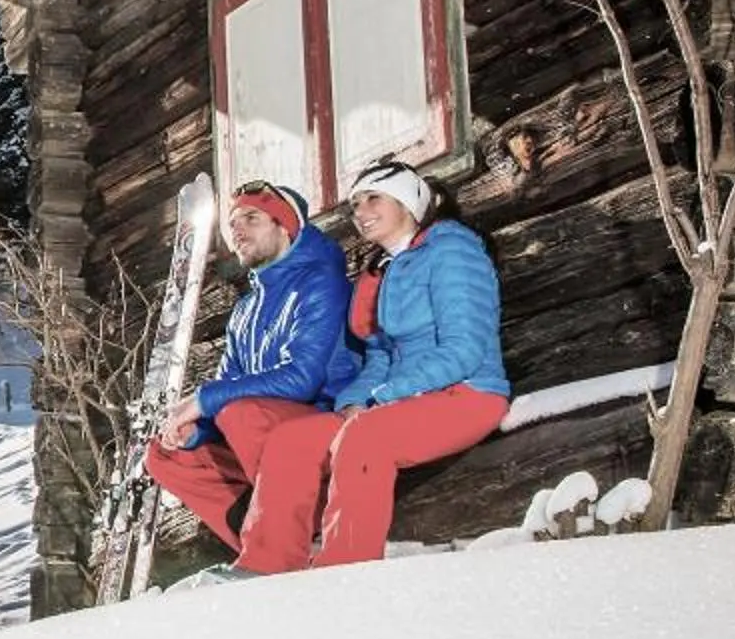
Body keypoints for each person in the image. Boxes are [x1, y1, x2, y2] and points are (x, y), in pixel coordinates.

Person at [229, 159, 512, 574]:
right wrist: (354, 399)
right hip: (399, 401)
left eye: (373, 199)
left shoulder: (453, 249)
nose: (360, 212)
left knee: (366, 435)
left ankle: (343, 571)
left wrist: (381, 399)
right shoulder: (382, 271)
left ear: (409, 201)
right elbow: (379, 356)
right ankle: (265, 566)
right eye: (355, 204)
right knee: (293, 439)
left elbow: (465, 349)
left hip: (468, 394)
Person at [143, 182, 355, 561]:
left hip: (327, 425)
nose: (237, 230)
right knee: (163, 454)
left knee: (241, 413)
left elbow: (302, 379)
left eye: (252, 219)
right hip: (263, 436)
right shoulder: (245, 310)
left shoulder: (321, 282)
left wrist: (205, 399)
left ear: (285, 226)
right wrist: (194, 432)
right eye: (233, 222)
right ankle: (265, 535)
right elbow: (230, 386)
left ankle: (294, 530)